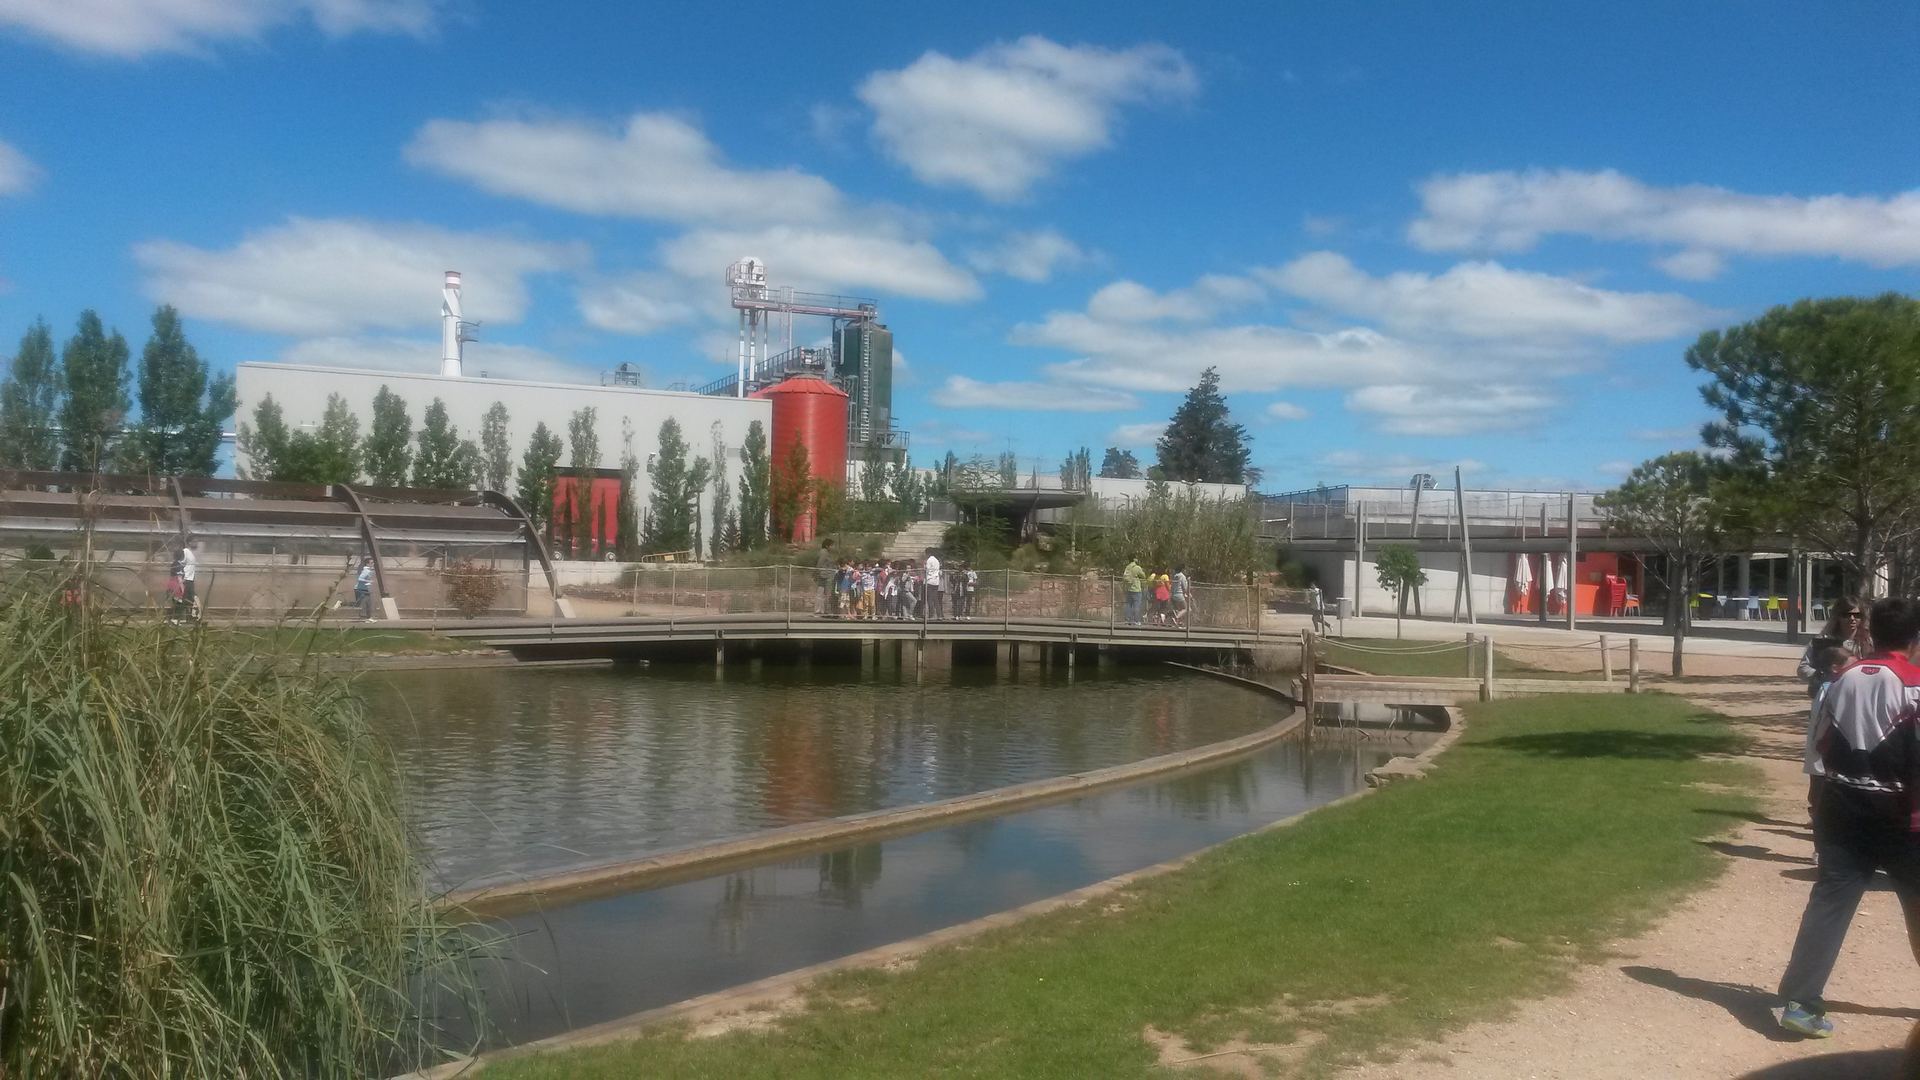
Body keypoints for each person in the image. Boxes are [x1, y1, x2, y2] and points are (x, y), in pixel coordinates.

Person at [1776, 597, 1920, 1038]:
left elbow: (1819, 744)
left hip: (1841, 804)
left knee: (1830, 902)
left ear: (1872, 632)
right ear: (1915, 638)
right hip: (1901, 811)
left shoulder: (1839, 678)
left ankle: (1800, 1002)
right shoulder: (1914, 684)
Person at [1800, 644, 1855, 825]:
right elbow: (1819, 726)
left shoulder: (1838, 687)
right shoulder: (1828, 689)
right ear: (1835, 668)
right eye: (1851, 666)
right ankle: (1819, 843)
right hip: (1823, 756)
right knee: (1821, 798)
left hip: (1830, 756)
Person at [1798, 602, 1869, 697]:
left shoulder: (1869, 643)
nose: (1852, 619)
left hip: (1860, 695)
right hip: (1828, 696)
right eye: (1846, 615)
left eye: (1857, 615)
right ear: (1837, 617)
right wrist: (1823, 675)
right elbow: (1803, 669)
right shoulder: (1822, 642)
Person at [1122, 555, 1147, 626]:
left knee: (1128, 605)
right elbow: (1143, 575)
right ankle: (1136, 620)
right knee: (1136, 605)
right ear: (1134, 559)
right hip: (1136, 589)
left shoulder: (1127, 567)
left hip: (1128, 588)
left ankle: (1127, 620)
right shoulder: (1137, 567)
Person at [814, 539, 836, 616]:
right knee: (826, 594)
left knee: (821, 593)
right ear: (827, 546)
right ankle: (824, 610)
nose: (833, 547)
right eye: (832, 545)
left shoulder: (825, 552)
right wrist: (816, 573)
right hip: (825, 575)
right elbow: (819, 563)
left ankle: (820, 610)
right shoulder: (824, 553)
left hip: (825, 575)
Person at [179, 539, 199, 620]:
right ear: (189, 542)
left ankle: (188, 616)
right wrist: (182, 575)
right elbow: (180, 562)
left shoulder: (191, 553)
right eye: (194, 541)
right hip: (186, 579)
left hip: (190, 579)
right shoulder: (185, 551)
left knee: (189, 598)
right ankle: (181, 616)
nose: (196, 543)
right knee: (186, 597)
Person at [924, 549, 944, 621]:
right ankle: (939, 615)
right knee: (935, 599)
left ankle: (931, 614)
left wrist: (924, 567)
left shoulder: (929, 560)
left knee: (929, 598)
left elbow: (927, 569)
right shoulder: (936, 560)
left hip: (930, 580)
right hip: (936, 581)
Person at [354, 556, 375, 621]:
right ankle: (367, 617)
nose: (373, 564)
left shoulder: (368, 570)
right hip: (361, 589)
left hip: (363, 589)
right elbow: (360, 579)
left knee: (366, 603)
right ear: (367, 564)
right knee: (365, 603)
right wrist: (368, 581)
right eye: (371, 563)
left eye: (373, 562)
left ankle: (368, 617)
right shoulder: (366, 571)